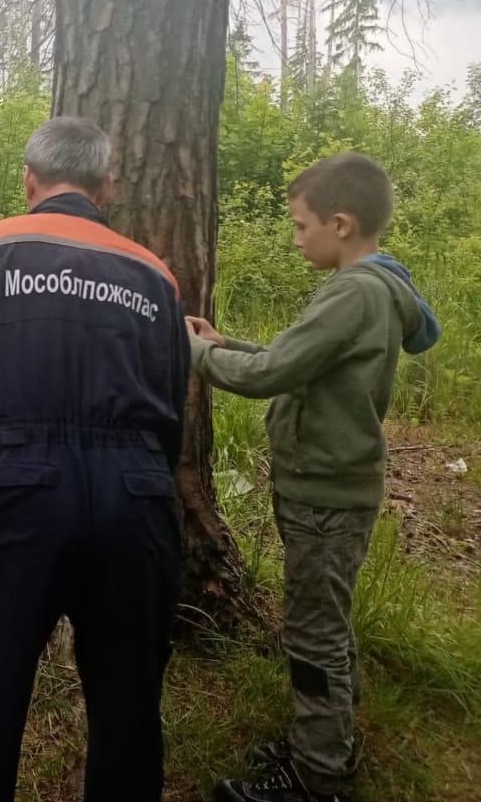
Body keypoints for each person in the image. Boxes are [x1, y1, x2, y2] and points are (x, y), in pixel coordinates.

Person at [0, 117, 190, 802]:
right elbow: (173, 412)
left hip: (13, 486)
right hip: (136, 495)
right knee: (128, 713)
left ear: (28, 180)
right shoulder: (156, 276)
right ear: (108, 186)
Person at [189, 153, 439, 802]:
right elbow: (292, 362)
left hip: (326, 497)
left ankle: (315, 776)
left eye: (301, 226)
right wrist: (223, 342)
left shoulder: (353, 293)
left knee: (313, 634)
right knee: (323, 623)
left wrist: (189, 351)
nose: (296, 237)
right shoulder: (371, 289)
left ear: (342, 223)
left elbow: (268, 377)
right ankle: (323, 741)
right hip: (330, 491)